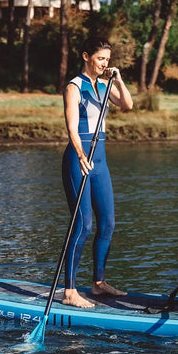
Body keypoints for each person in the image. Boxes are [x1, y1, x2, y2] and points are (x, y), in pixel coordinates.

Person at [61, 37, 133, 308]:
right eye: (100, 58)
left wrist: (119, 81)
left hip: (101, 161)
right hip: (79, 160)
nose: (104, 63)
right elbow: (70, 126)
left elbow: (127, 106)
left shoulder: (104, 85)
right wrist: (80, 156)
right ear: (85, 56)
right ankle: (69, 291)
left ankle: (98, 283)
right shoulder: (74, 87)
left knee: (108, 223)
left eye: (106, 59)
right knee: (83, 225)